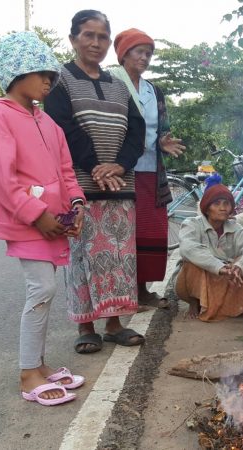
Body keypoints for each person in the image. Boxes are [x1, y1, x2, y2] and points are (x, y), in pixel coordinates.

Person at [0, 31, 87, 405]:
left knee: (46, 289)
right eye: (42, 73)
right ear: (16, 71)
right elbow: (0, 177)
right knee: (41, 289)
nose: (49, 81)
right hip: (26, 221)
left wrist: (77, 204)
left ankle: (38, 365)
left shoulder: (48, 122)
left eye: (51, 75)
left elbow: (66, 169)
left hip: (52, 221)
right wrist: (35, 215)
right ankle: (28, 374)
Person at [44, 10, 146, 354]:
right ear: (73, 39)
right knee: (81, 257)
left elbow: (137, 129)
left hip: (120, 184)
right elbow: (62, 128)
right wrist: (96, 165)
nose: (96, 43)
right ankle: (85, 325)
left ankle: (115, 323)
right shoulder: (59, 80)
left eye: (103, 37)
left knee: (119, 256)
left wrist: (119, 165)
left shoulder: (118, 84)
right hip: (78, 187)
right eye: (88, 35)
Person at [110, 28, 186, 309]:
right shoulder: (111, 85)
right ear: (123, 54)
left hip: (151, 173)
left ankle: (142, 291)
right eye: (139, 51)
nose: (144, 57)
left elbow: (162, 129)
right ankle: (121, 292)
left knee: (150, 231)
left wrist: (163, 142)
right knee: (122, 233)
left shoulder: (154, 91)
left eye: (148, 53)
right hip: (121, 171)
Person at [175, 177, 243, 321]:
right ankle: (195, 302)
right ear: (207, 208)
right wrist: (219, 267)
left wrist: (239, 267)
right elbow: (188, 248)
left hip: (224, 276)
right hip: (200, 276)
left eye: (226, 204)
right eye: (217, 204)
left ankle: (233, 305)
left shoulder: (234, 226)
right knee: (191, 263)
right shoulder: (192, 224)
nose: (223, 208)